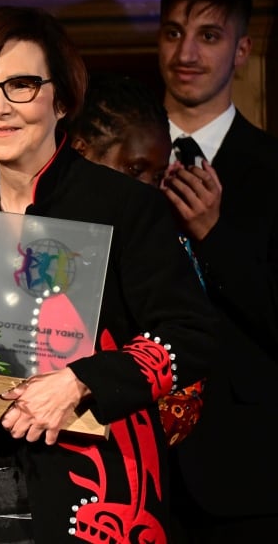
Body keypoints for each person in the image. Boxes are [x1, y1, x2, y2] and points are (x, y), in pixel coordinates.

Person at [0, 6, 218, 543]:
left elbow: (188, 333)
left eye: (21, 85)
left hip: (98, 495)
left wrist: (81, 380)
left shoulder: (122, 205)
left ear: (62, 100)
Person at [156, 0, 278, 542]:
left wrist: (216, 235)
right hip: (128, 456)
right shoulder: (111, 160)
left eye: (209, 35)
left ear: (242, 50)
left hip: (246, 468)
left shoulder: (273, 169)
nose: (187, 51)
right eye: (174, 32)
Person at [67, 72, 205, 447]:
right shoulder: (46, 244)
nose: (148, 188)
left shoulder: (161, 241)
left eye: (157, 175)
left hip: (149, 459)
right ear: (81, 152)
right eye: (134, 170)